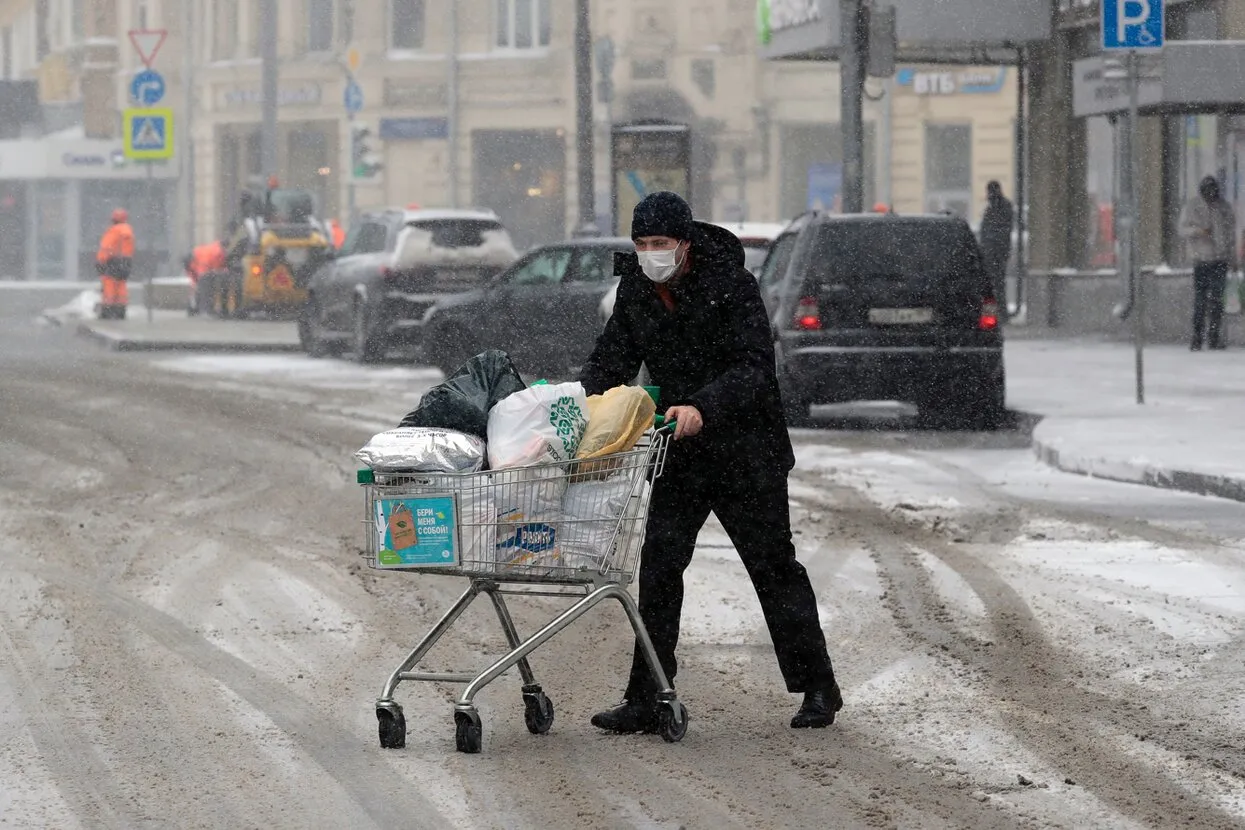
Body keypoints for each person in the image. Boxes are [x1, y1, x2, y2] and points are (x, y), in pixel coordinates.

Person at [579, 191, 842, 733]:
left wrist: (704, 405)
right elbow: (612, 359)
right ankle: (647, 695)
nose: (651, 253)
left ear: (685, 243)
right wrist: (572, 406)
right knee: (659, 566)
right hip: (678, 450)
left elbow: (753, 367)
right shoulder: (636, 287)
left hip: (747, 452)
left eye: (662, 243)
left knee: (772, 567)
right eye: (642, 243)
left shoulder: (731, 285)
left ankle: (818, 687)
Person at [1179, 175, 1237, 351]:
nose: (1211, 196)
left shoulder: (1224, 208)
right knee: (1201, 300)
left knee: (1217, 301)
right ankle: (1197, 337)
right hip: (1202, 259)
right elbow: (1182, 229)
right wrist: (1198, 231)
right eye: (1208, 192)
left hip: (1219, 259)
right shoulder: (1193, 207)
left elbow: (1230, 235)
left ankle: (1213, 337)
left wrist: (1232, 258)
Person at [978, 181, 1015, 313]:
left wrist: (988, 247)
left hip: (995, 252)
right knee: (996, 283)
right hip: (996, 252)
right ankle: (999, 311)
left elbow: (994, 231)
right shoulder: (998, 206)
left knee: (995, 283)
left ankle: (999, 312)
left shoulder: (997, 207)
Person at [96, 208, 135, 320]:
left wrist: (101, 261)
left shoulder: (114, 231)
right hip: (125, 261)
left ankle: (108, 309)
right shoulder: (128, 231)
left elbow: (106, 247)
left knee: (109, 283)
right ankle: (120, 309)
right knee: (121, 284)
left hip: (112, 261)